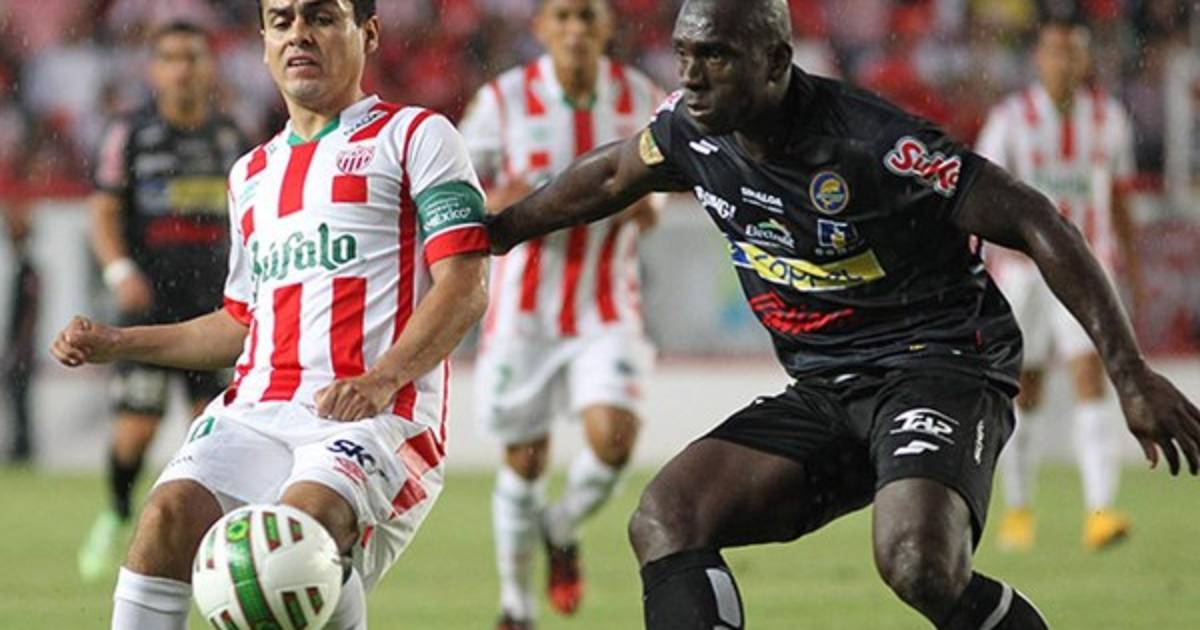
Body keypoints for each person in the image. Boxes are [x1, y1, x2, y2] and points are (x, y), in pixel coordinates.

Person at [485, 1, 1200, 628]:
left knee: (918, 564)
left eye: (715, 56)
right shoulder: (689, 130)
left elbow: (1036, 219)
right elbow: (614, 173)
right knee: (666, 517)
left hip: (941, 364)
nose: (691, 77)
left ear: (776, 62)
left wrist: (1129, 373)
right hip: (828, 387)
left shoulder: (874, 143)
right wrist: (501, 231)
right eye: (683, 54)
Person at [51, 1, 490, 628]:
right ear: (263, 43)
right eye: (282, 21)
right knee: (165, 517)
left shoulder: (417, 136)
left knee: (297, 536)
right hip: (256, 410)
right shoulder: (251, 173)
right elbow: (241, 323)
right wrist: (118, 341)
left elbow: (465, 285)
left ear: (367, 33)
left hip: (373, 413)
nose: (299, 35)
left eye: (321, 17)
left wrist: (382, 378)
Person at [457, 1, 661, 627]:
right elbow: (454, 189)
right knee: (525, 459)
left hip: (607, 302)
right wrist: (502, 198)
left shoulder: (641, 97)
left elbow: (666, 187)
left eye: (587, 17)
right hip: (523, 311)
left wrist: (645, 205)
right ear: (542, 28)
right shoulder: (503, 100)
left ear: (606, 28)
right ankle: (516, 606)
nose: (576, 30)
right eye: (564, 17)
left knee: (615, 439)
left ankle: (562, 523)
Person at [78, 21, 249, 582]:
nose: (183, 69)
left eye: (193, 57)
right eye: (171, 57)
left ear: (209, 66)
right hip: (149, 307)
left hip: (215, 311)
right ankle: (116, 511)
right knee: (136, 431)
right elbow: (103, 210)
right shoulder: (130, 133)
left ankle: (209, 540)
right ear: (153, 69)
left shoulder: (231, 136)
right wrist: (120, 270)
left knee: (213, 430)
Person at [976, 16, 1141, 552]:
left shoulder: (1109, 119)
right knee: (1025, 390)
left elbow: (1118, 198)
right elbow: (981, 195)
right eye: (1054, 52)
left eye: (1073, 53)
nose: (1063, 62)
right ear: (1038, 58)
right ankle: (1019, 509)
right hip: (1023, 273)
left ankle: (1101, 512)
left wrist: (1133, 268)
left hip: (1088, 268)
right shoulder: (1010, 120)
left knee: (1091, 375)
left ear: (1086, 59)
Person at [3, 201, 39, 464]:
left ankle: (22, 447)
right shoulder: (16, 268)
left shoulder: (26, 270)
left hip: (20, 346)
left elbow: (30, 311)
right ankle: (18, 444)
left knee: (19, 398)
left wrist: (21, 345)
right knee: (15, 398)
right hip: (14, 344)